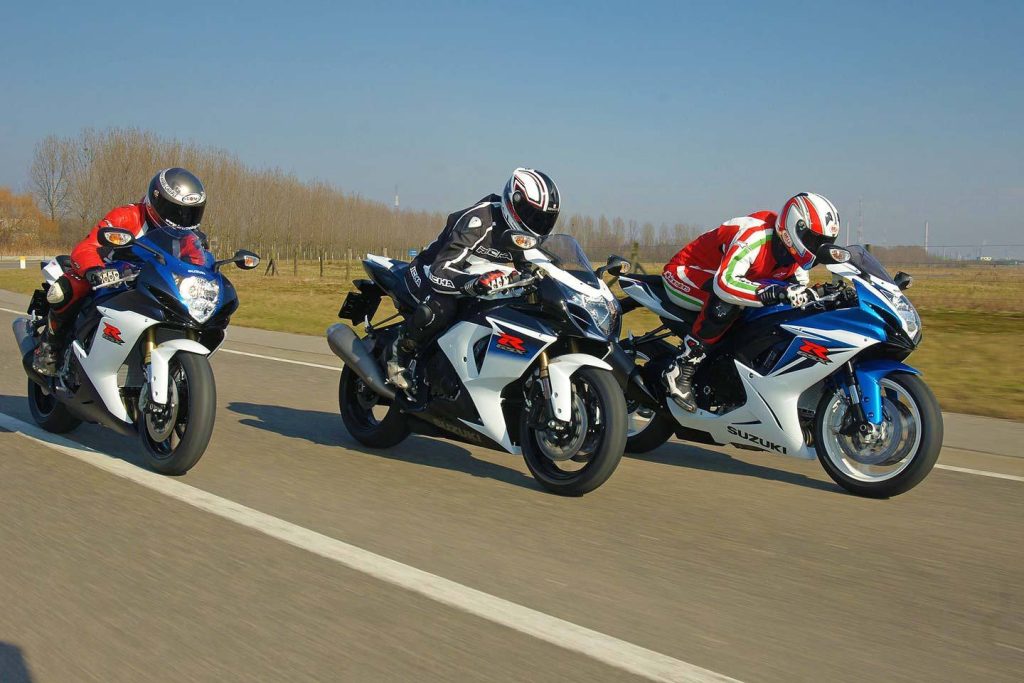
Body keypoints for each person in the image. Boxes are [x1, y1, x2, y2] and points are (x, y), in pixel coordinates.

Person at [386, 167, 561, 399]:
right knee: (443, 308)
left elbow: (532, 267)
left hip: (473, 279)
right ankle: (399, 352)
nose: (538, 224)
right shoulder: (479, 221)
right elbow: (440, 270)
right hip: (429, 271)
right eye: (533, 216)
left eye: (545, 219)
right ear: (513, 203)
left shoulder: (524, 235)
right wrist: (471, 283)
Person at [661, 192, 841, 411]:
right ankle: (682, 367)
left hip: (722, 279)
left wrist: (821, 293)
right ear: (795, 226)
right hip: (685, 273)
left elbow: (796, 295)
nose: (817, 248)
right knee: (727, 303)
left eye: (824, 243)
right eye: (814, 240)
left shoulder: (796, 260)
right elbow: (726, 283)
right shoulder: (756, 234)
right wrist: (772, 292)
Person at [32, 167, 207, 376]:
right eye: (176, 211)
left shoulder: (188, 237)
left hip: (152, 284)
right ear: (157, 201)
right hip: (109, 277)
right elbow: (87, 247)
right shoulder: (127, 216)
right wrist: (94, 270)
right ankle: (50, 346)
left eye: (190, 213)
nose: (183, 219)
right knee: (69, 287)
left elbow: (197, 263)